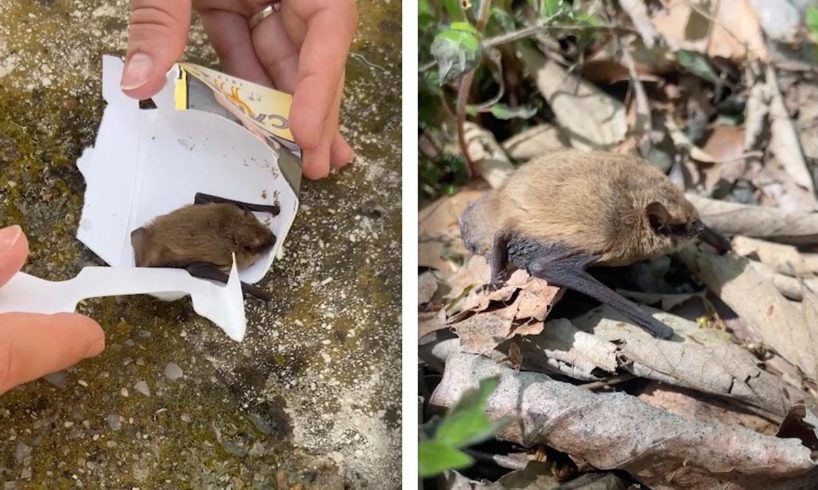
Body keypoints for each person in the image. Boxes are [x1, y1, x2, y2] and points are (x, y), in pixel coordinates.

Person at [1, 0, 357, 394]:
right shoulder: (225, 253)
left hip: (159, 235)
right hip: (160, 251)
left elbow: (205, 211)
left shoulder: (225, 212)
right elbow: (196, 252)